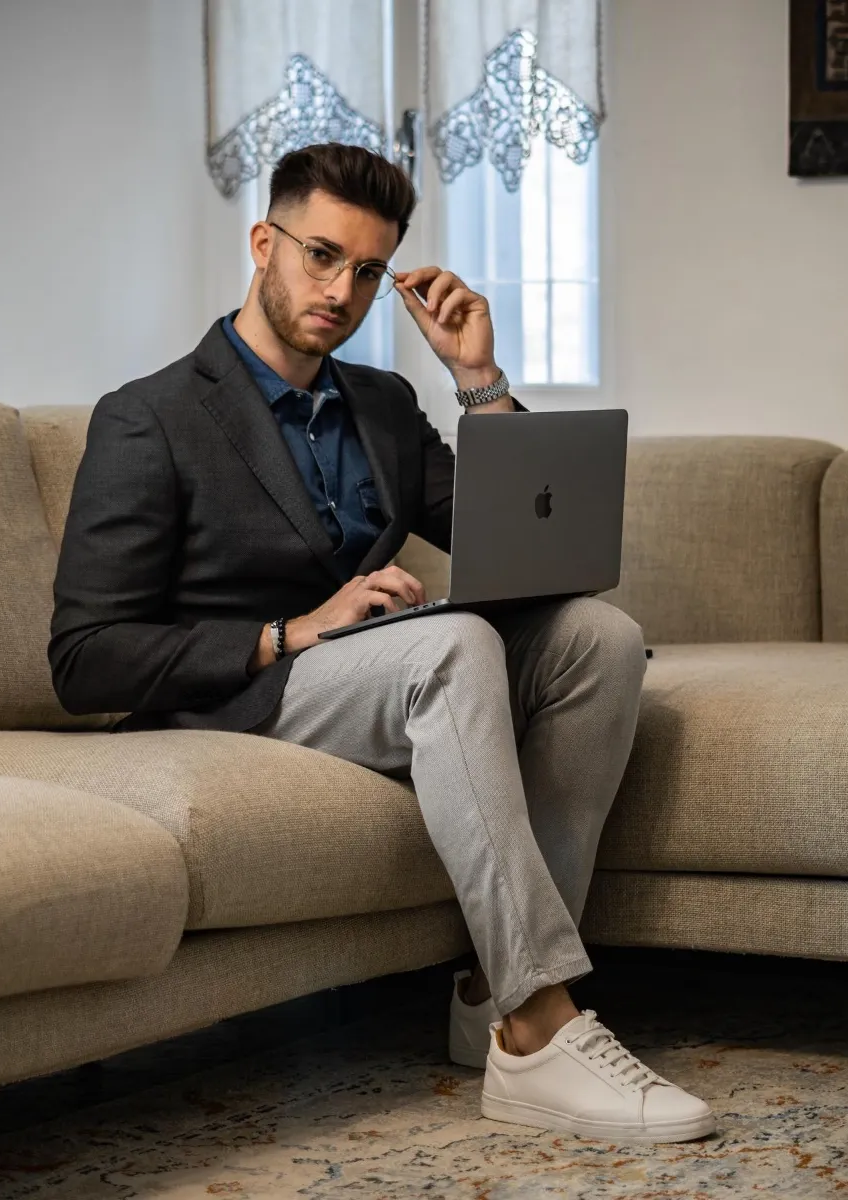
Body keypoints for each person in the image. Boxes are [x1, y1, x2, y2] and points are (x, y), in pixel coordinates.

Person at [50, 142, 714, 1144]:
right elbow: (85, 656)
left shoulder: (384, 407)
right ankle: (541, 1034)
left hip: (374, 668)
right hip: (245, 691)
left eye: (366, 271)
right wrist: (289, 632)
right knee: (452, 651)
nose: (340, 290)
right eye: (319, 256)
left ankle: (496, 996)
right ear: (263, 243)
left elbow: (541, 556)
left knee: (598, 639)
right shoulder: (151, 418)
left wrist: (478, 377)